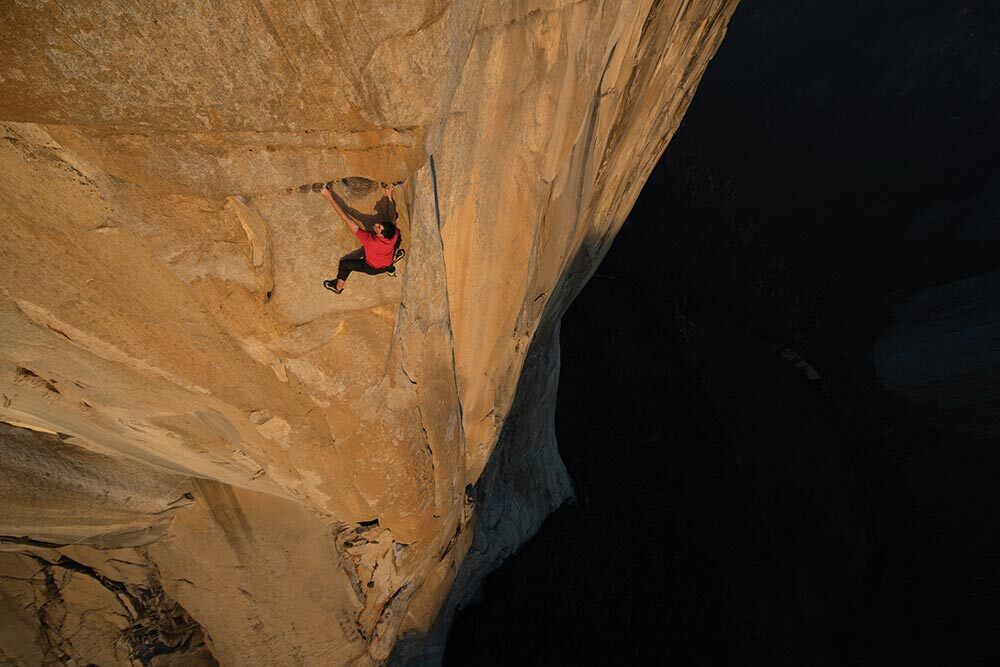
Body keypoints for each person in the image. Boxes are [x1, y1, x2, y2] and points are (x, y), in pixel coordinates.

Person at [321, 182, 403, 294]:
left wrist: (328, 196)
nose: (377, 224)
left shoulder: (369, 240)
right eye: (380, 224)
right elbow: (393, 216)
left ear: (381, 235)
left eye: (378, 227)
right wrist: (389, 194)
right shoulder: (393, 235)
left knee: (344, 264)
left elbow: (346, 218)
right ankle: (394, 256)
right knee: (397, 237)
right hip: (387, 263)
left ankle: (338, 287)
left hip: (372, 268)